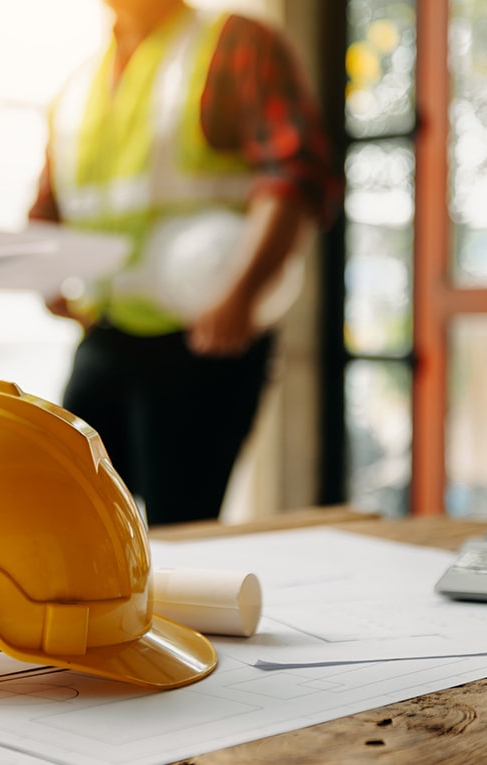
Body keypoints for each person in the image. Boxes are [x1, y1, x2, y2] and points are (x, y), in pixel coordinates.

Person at [30, 0, 341, 526]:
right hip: (107, 330)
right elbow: (49, 204)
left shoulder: (232, 43)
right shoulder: (78, 87)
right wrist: (46, 275)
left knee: (179, 526)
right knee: (64, 505)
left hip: (204, 337)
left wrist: (242, 292)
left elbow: (293, 173)